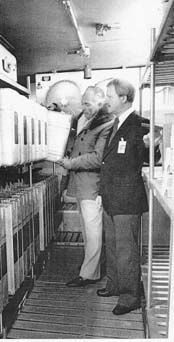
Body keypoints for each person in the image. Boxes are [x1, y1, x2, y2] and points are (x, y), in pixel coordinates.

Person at [97, 78, 161, 315]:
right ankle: (114, 285)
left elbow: (152, 157)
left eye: (110, 97)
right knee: (112, 245)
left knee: (126, 250)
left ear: (123, 98)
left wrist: (152, 146)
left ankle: (130, 296)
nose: (106, 101)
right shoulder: (115, 124)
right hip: (111, 197)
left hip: (127, 198)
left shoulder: (140, 125)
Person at [57, 86, 114, 287]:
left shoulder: (107, 124)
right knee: (87, 230)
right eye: (83, 103)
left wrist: (71, 163)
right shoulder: (88, 119)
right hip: (81, 186)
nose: (84, 107)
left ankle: (89, 274)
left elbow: (98, 158)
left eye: (87, 104)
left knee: (93, 231)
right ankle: (91, 266)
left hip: (93, 186)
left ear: (100, 103)